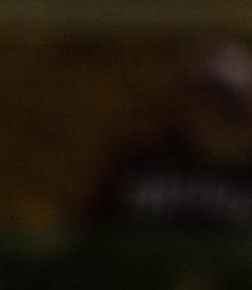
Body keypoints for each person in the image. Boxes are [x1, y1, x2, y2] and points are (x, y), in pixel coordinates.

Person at [85, 40, 252, 232]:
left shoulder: (246, 173)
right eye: (201, 102)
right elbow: (92, 235)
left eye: (224, 108)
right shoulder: (140, 163)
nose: (210, 117)